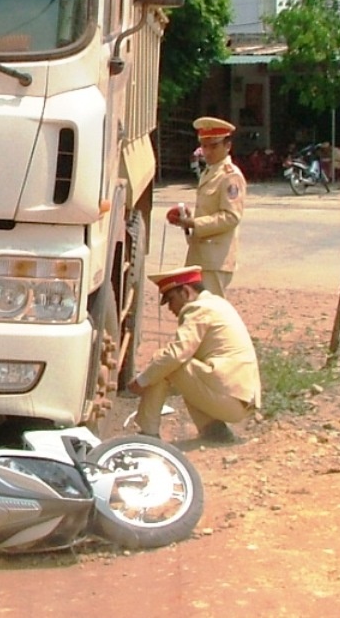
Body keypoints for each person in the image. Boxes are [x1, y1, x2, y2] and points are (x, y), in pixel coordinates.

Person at [127, 264, 261, 444]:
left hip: (229, 398)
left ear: (186, 292)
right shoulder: (216, 303)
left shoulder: (198, 308)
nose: (171, 309)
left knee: (165, 360)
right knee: (186, 367)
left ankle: (148, 435)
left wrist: (142, 381)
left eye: (171, 299)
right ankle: (214, 431)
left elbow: (175, 355)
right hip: (239, 398)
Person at [169, 116, 246, 296]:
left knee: (210, 313)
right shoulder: (210, 172)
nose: (208, 152)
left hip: (216, 259)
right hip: (201, 256)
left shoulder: (230, 176)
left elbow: (231, 217)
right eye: (204, 146)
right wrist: (187, 217)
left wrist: (194, 223)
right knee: (196, 311)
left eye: (214, 146)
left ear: (227, 146)